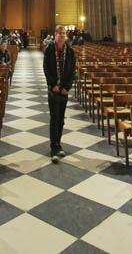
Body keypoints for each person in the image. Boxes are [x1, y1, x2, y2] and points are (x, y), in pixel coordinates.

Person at [43, 24, 76, 163]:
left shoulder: (70, 51)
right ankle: (53, 147)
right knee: (54, 117)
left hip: (63, 90)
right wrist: (52, 85)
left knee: (61, 119)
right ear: (55, 34)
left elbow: (72, 70)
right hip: (54, 89)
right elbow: (46, 68)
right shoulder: (50, 49)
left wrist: (66, 87)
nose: (62, 35)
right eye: (60, 33)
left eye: (64, 33)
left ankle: (59, 144)